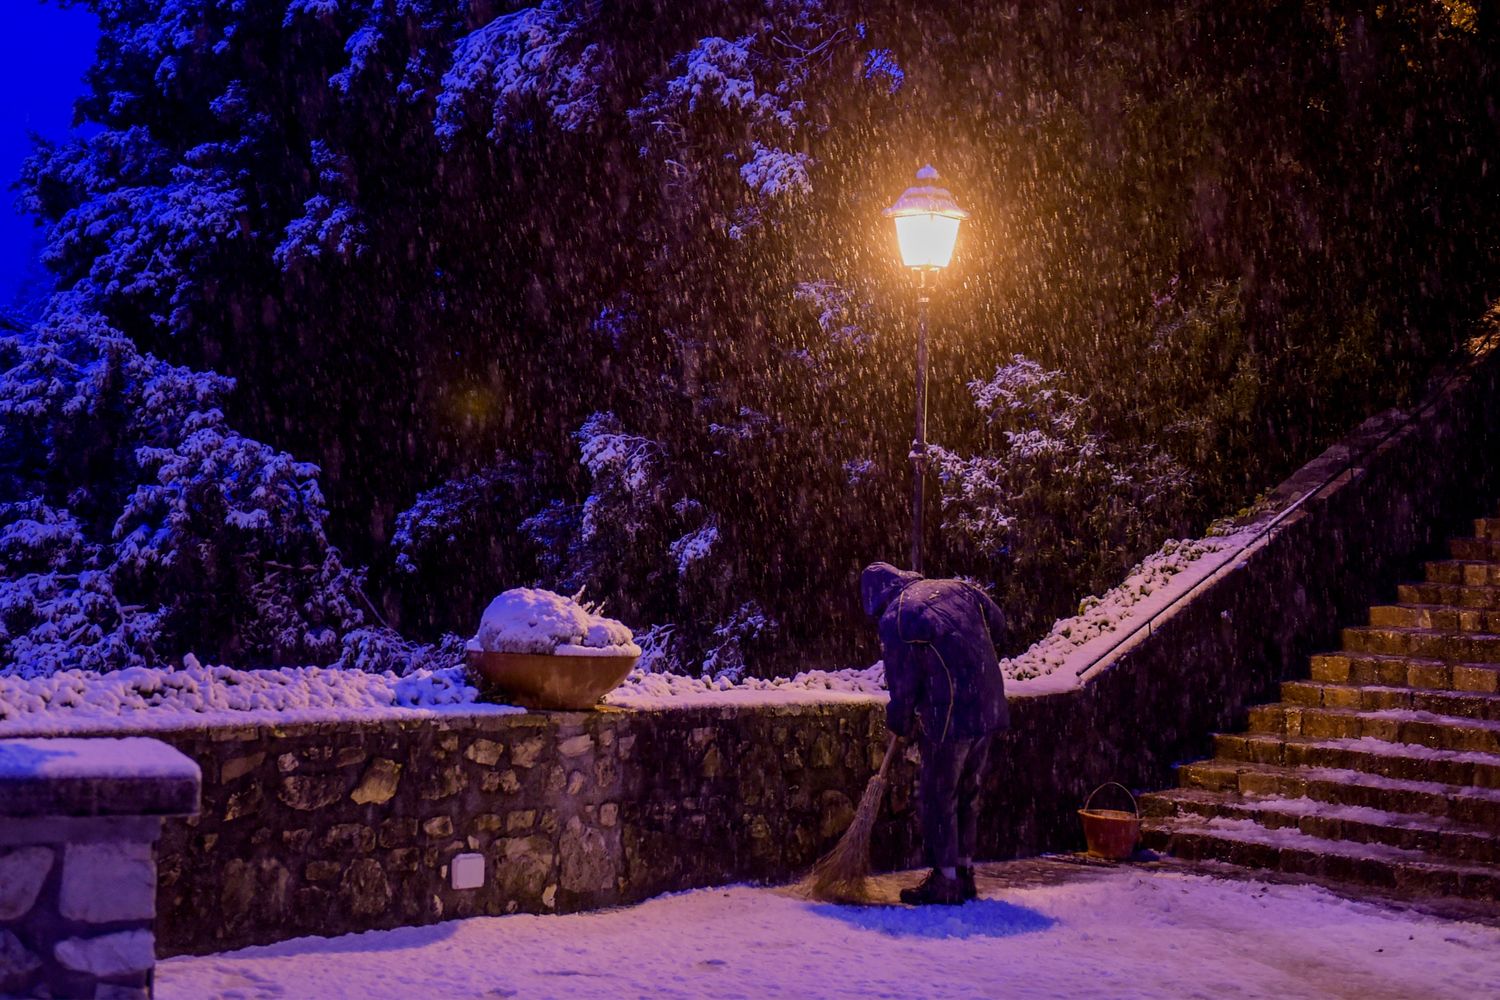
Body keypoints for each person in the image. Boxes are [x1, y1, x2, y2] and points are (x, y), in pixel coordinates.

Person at [860, 561, 1010, 906]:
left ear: (875, 599)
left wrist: (899, 720)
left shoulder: (896, 616)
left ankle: (945, 880)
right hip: (988, 703)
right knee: (968, 791)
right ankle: (964, 872)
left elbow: (902, 683)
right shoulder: (959, 588)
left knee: (938, 796)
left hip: (950, 713)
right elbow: (998, 624)